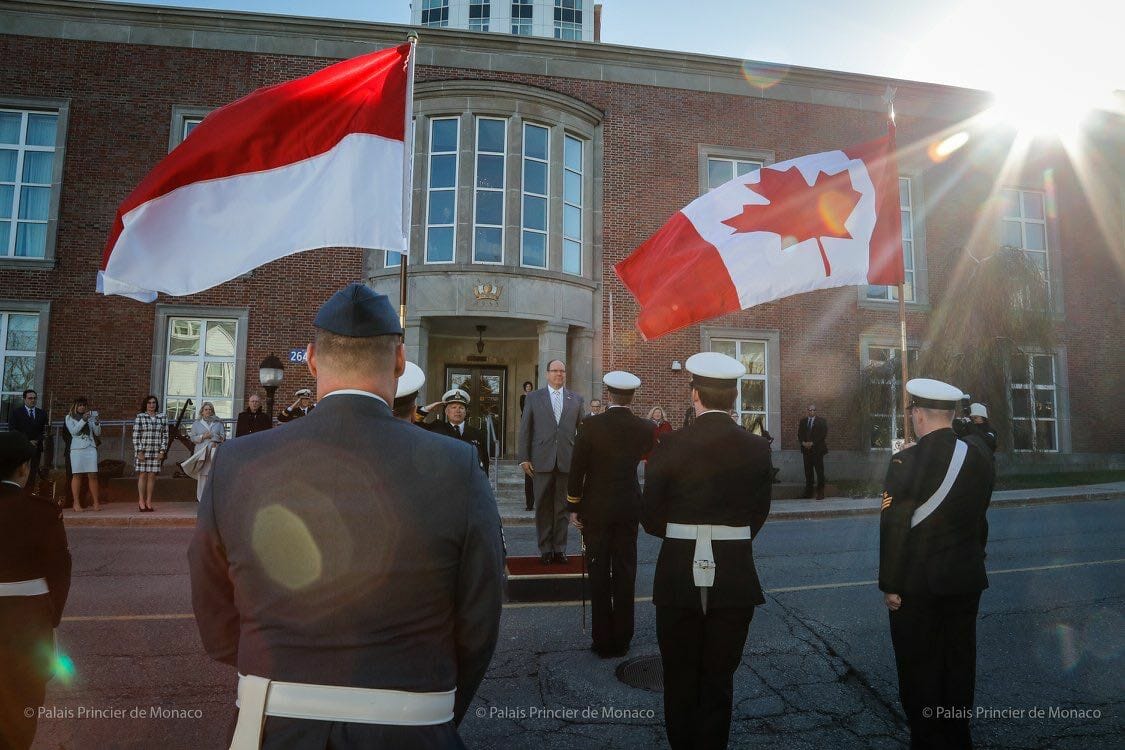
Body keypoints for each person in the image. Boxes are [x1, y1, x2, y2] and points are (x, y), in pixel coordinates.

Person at [188, 283, 504, 748]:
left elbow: (213, 610)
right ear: (399, 361)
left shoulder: (237, 461)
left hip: (275, 724)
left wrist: (275, 670)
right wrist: (429, 708)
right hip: (412, 728)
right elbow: (479, 616)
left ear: (312, 359)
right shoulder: (456, 465)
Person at [642, 352, 772, 750]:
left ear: (694, 394)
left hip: (678, 572)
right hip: (733, 575)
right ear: (734, 397)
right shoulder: (756, 447)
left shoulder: (668, 444)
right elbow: (757, 515)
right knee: (719, 677)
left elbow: (650, 517)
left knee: (679, 677)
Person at [880, 378, 995, 750]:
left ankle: (928, 740)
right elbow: (980, 519)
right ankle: (957, 737)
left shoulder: (905, 460)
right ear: (950, 415)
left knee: (919, 670)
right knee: (959, 665)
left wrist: (891, 584)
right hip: (965, 579)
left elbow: (895, 525)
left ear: (918, 415)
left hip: (917, 584)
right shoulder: (979, 455)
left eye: (912, 412)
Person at [566, 371, 653, 658]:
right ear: (633, 396)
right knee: (626, 571)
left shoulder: (590, 426)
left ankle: (602, 639)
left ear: (608, 395)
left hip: (597, 506)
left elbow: (577, 468)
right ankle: (623, 638)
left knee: (599, 571)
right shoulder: (644, 427)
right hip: (628, 505)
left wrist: (574, 505)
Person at [0, 432, 71, 750]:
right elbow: (59, 572)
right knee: (21, 710)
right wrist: (50, 615)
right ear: (23, 469)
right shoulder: (42, 511)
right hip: (28, 626)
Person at [517, 359, 584, 565]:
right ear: (547, 374)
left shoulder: (576, 399)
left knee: (563, 507)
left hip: (567, 460)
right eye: (554, 371)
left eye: (562, 371)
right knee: (543, 506)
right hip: (541, 460)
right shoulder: (534, 398)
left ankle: (560, 549)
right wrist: (524, 458)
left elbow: (582, 433)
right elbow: (525, 429)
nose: (559, 374)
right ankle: (545, 549)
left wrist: (582, 462)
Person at [65, 396, 101, 512]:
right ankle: (76, 503)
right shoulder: (69, 418)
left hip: (90, 448)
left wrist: (96, 422)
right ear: (75, 406)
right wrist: (83, 420)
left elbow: (97, 433)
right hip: (77, 449)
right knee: (77, 475)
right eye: (80, 405)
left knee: (93, 475)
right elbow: (74, 432)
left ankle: (96, 502)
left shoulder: (89, 418)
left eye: (84, 405)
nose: (82, 407)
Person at [441, 388, 489, 475]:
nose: (458, 411)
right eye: (453, 407)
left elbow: (484, 460)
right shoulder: (438, 430)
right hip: (445, 481)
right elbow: (414, 423)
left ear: (466, 412)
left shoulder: (477, 433)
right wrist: (427, 409)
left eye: (461, 408)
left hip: (470, 482)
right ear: (446, 412)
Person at [132, 395, 166, 513]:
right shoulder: (140, 417)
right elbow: (136, 436)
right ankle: (141, 501)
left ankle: (149, 501)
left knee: (152, 475)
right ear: (145, 405)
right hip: (143, 450)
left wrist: (162, 451)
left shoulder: (162, 417)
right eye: (149, 403)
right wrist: (139, 451)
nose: (152, 405)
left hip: (156, 451)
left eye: (154, 403)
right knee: (143, 474)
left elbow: (165, 436)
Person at [186, 402, 225, 502]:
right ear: (202, 412)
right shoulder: (196, 423)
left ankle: (212, 500)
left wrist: (213, 438)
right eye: (206, 410)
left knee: (213, 475)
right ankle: (202, 500)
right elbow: (193, 438)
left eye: (210, 409)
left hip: (215, 451)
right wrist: (203, 437)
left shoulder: (218, 423)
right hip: (202, 452)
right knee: (202, 475)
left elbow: (223, 436)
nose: (208, 411)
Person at [7, 389, 48, 483]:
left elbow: (44, 430)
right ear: (24, 399)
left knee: (32, 474)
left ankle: (29, 496)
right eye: (30, 398)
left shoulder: (42, 413)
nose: (33, 400)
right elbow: (13, 430)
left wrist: (37, 440)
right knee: (20, 474)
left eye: (34, 398)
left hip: (36, 448)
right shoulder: (16, 413)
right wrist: (27, 441)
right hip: (21, 448)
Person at [797, 403, 828, 499]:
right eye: (810, 410)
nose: (812, 411)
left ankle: (820, 493)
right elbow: (800, 434)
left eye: (813, 410)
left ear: (816, 411)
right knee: (808, 472)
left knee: (819, 472)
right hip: (806, 451)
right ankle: (808, 493)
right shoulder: (803, 421)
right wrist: (803, 443)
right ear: (807, 411)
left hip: (817, 450)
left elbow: (823, 434)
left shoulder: (822, 421)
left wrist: (812, 443)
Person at [519, 381, 535, 511]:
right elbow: (524, 439)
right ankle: (529, 505)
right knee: (529, 483)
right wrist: (524, 459)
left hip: (541, 457)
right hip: (529, 458)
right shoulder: (525, 422)